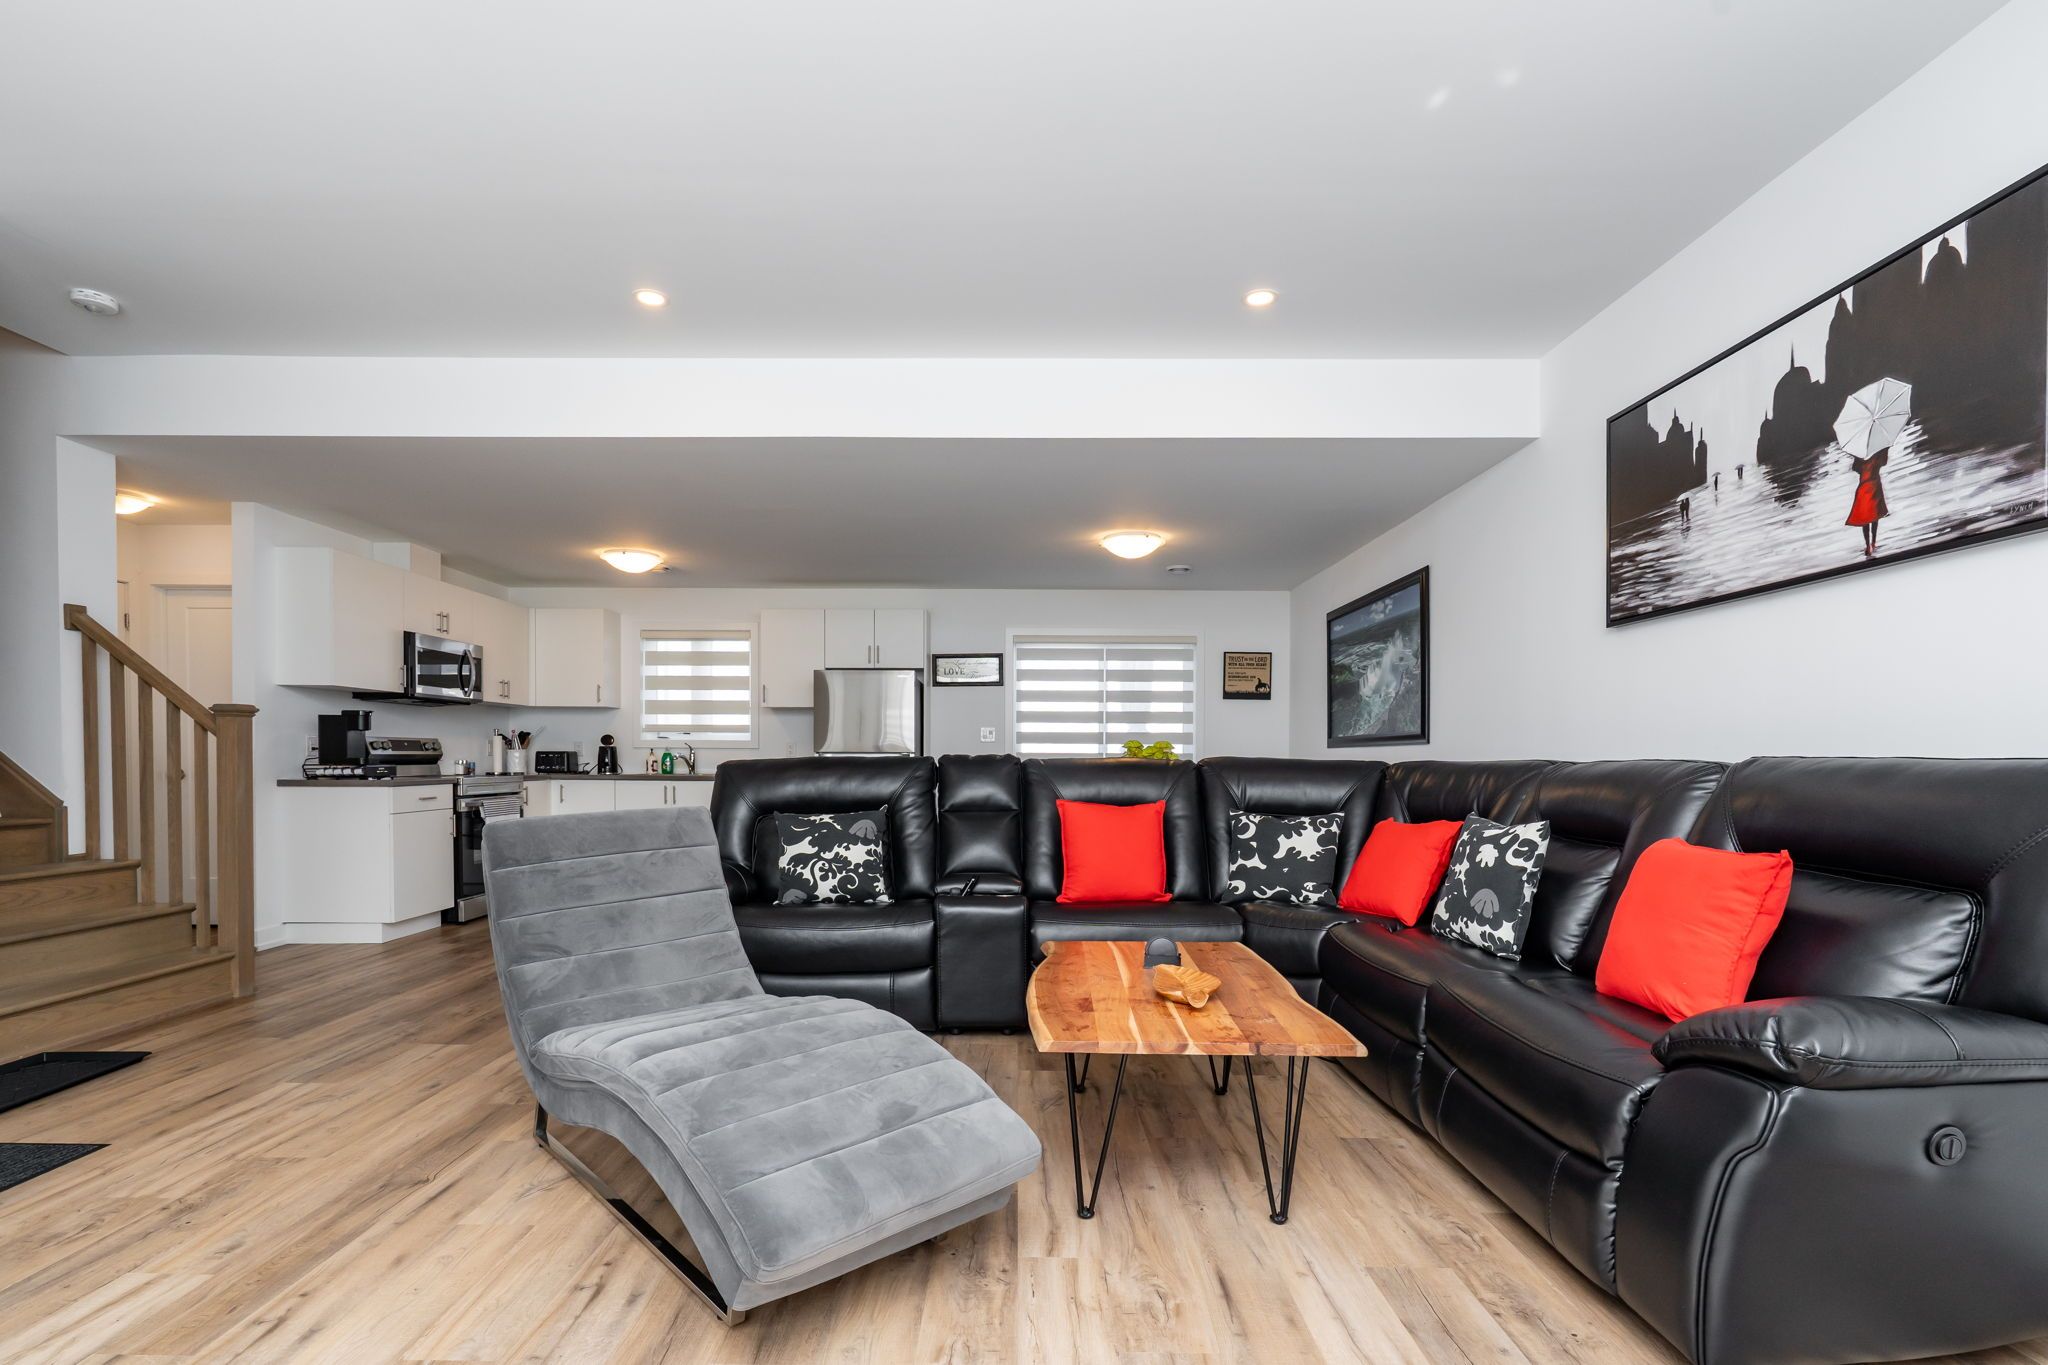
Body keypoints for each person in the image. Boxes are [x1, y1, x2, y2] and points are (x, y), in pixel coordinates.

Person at [1846, 446, 1890, 555]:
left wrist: (1856, 457)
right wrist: (1886, 449)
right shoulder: (1877, 452)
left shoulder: (1859, 455)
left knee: (1865, 519)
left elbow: (1855, 468)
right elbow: (1883, 463)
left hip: (1864, 489)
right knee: (1874, 516)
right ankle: (1873, 542)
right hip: (1874, 487)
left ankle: (1868, 545)